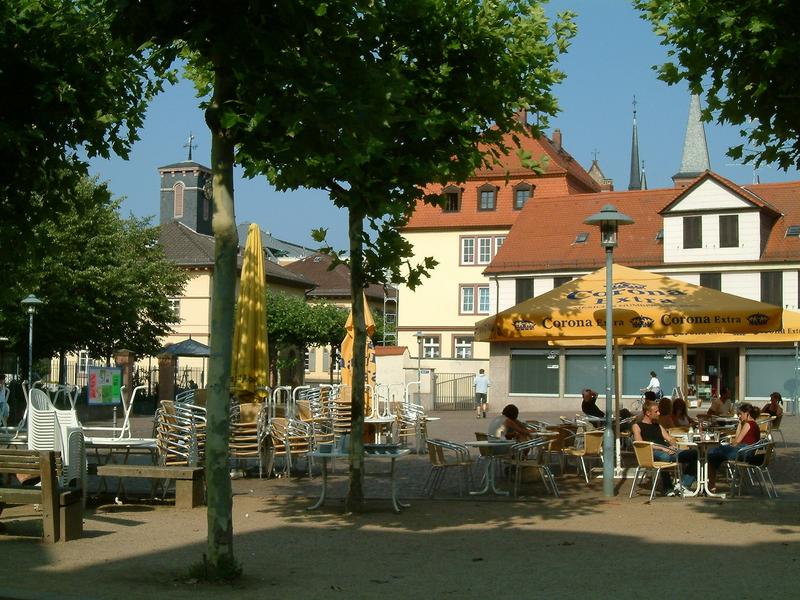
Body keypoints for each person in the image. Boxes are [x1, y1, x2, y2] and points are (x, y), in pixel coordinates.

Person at [632, 400, 697, 495]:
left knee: (695, 454)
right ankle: (668, 488)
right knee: (665, 457)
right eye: (656, 411)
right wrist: (662, 448)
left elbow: (670, 438)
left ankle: (683, 485)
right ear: (648, 413)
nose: (659, 413)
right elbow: (641, 443)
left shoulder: (658, 425)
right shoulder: (637, 426)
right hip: (651, 452)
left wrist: (672, 444)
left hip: (667, 451)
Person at [707, 403, 762, 491]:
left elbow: (737, 441)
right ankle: (711, 484)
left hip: (743, 452)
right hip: (748, 451)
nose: (739, 416)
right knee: (714, 454)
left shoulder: (748, 424)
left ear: (747, 413)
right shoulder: (754, 424)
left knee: (711, 453)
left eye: (740, 414)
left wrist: (730, 444)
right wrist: (740, 424)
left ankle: (711, 484)